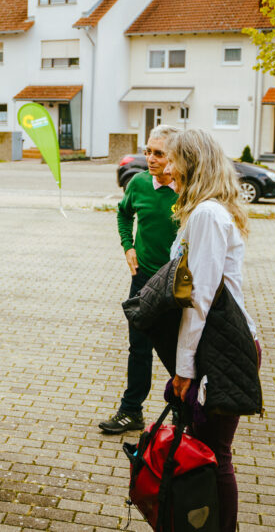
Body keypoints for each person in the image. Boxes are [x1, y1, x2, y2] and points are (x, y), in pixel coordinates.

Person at [165, 128, 258, 532]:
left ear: (191, 163)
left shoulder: (207, 214)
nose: (167, 168)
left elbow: (198, 297)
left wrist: (184, 366)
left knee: (214, 454)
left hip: (220, 344)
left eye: (172, 160)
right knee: (211, 450)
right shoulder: (211, 210)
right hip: (226, 342)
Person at [99, 125, 180, 434]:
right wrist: (128, 246)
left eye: (158, 153)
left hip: (176, 283)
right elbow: (123, 214)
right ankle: (132, 410)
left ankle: (183, 414)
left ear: (174, 156)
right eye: (148, 151)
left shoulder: (188, 190)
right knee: (139, 348)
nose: (150, 158)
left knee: (181, 351)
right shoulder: (139, 184)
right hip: (143, 278)